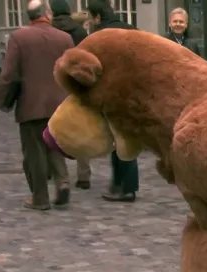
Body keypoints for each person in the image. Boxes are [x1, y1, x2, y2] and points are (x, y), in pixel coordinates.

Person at [0, 0, 73, 210]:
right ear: (47, 14)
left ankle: (40, 197)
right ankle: (63, 181)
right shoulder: (65, 38)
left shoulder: (19, 37)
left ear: (28, 16)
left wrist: (3, 101)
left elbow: (8, 74)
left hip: (31, 103)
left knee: (35, 152)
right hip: (60, 103)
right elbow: (72, 70)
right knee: (55, 145)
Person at [87, 0, 139, 202]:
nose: (90, 21)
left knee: (119, 141)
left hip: (112, 94)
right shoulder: (131, 30)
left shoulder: (100, 37)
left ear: (97, 17)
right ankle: (121, 185)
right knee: (125, 140)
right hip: (133, 92)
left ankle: (125, 187)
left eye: (91, 17)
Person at [50, 0, 92, 189]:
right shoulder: (80, 32)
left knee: (52, 130)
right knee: (79, 128)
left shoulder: (48, 32)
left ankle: (58, 173)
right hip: (74, 85)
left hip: (52, 85)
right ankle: (83, 174)